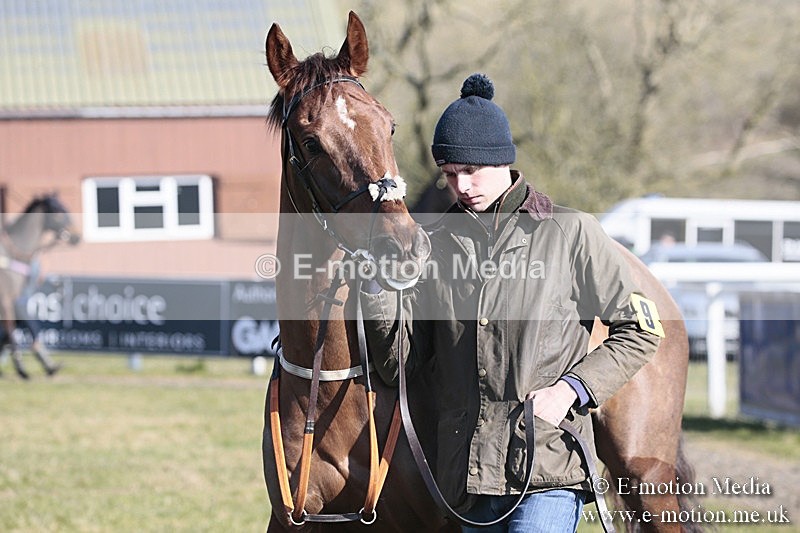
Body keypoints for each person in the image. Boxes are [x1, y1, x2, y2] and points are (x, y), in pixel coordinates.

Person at [361, 74, 663, 532]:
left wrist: (572, 390)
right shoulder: (435, 245)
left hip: (546, 469)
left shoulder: (571, 233)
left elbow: (641, 328)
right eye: (449, 174)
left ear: (502, 161)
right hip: (465, 480)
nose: (461, 185)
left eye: (471, 171)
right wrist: (376, 292)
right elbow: (400, 361)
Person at [3, 257, 62, 379]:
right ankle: (47, 365)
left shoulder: (30, 263)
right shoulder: (21, 262)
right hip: (16, 303)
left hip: (19, 303)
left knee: (6, 336)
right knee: (32, 331)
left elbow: (38, 278)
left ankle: (44, 365)